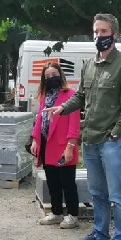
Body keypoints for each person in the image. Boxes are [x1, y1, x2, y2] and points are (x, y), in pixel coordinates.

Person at [46, 13, 121, 240]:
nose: (99, 36)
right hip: (91, 139)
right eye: (96, 32)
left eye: (104, 32)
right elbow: (80, 97)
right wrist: (62, 108)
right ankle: (100, 235)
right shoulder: (89, 65)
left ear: (115, 35)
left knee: (118, 195)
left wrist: (116, 133)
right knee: (97, 191)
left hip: (111, 141)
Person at [30, 62, 81, 229]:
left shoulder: (71, 95)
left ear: (61, 75)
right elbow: (39, 119)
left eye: (54, 74)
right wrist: (36, 139)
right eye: (47, 76)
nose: (51, 78)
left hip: (64, 144)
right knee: (52, 181)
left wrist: (70, 146)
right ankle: (56, 212)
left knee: (67, 182)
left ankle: (73, 215)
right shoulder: (45, 97)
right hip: (47, 144)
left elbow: (74, 123)